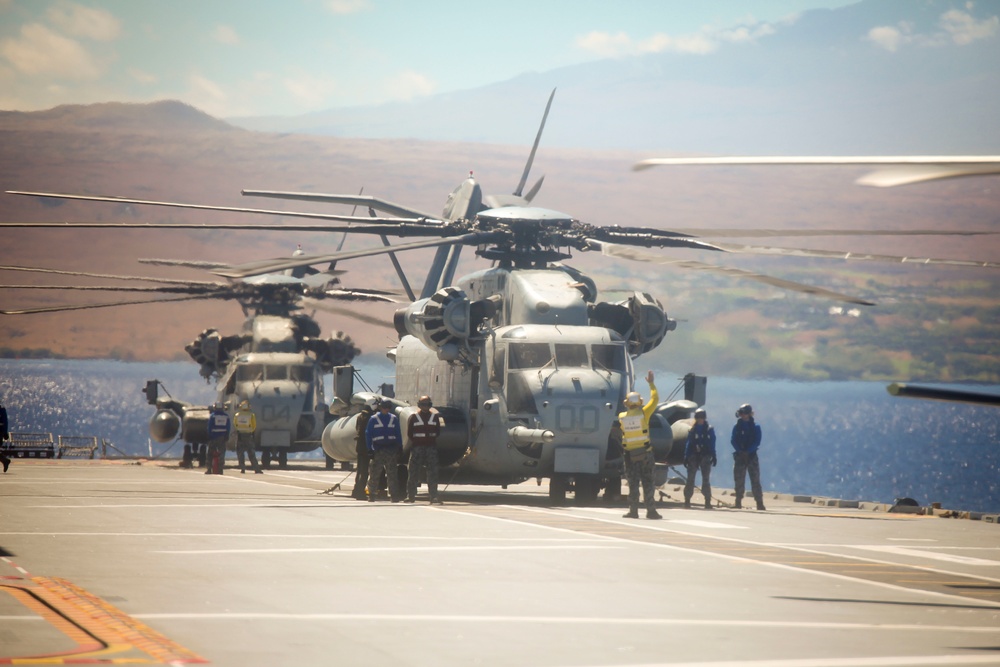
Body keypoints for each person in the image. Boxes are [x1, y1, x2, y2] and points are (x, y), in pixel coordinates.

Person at [618, 370, 661, 520]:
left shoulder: (622, 417)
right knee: (648, 482)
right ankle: (651, 511)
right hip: (645, 454)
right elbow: (655, 399)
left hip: (630, 456)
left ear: (627, 404)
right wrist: (651, 383)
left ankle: (633, 511)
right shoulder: (644, 414)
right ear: (640, 403)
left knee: (633, 483)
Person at [405, 395, 444, 504]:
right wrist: (418, 442)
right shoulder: (413, 417)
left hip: (430, 448)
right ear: (419, 405)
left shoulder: (434, 417)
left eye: (427, 404)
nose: (425, 406)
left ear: (430, 405)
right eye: (423, 404)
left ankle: (433, 496)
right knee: (413, 472)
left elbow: (437, 432)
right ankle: (411, 496)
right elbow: (410, 433)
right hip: (417, 448)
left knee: (432, 473)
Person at [365, 399, 402, 502]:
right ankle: (371, 494)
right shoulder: (373, 419)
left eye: (388, 407)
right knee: (374, 473)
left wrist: (399, 447)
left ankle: (394, 495)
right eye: (384, 407)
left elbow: (398, 433)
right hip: (378, 450)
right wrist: (369, 449)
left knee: (392, 474)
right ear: (380, 407)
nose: (386, 409)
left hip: (391, 450)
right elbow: (368, 434)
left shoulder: (393, 419)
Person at [731, 403, 765, 510]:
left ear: (749, 414)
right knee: (739, 480)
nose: (743, 415)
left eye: (745, 413)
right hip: (740, 456)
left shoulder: (756, 427)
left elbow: (757, 441)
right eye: (741, 413)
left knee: (755, 480)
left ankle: (759, 502)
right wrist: (740, 451)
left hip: (751, 457)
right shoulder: (737, 427)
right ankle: (738, 501)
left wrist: (748, 451)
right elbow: (733, 440)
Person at [683, 408, 716, 509]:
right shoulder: (692, 430)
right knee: (690, 479)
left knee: (705, 479)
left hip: (705, 456)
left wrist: (713, 455)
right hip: (694, 455)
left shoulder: (709, 430)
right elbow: (689, 443)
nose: (700, 419)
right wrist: (686, 456)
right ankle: (687, 500)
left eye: (702, 417)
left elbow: (712, 443)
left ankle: (707, 501)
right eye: (698, 417)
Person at [352, 398, 377, 500]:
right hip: (365, 446)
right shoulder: (370, 418)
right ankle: (360, 492)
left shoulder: (360, 416)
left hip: (359, 446)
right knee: (364, 471)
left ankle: (356, 490)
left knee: (360, 470)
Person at [233, 400, 262, 474]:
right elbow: (254, 425)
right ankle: (256, 469)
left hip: (240, 436)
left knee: (240, 453)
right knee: (251, 453)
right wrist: (251, 431)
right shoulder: (251, 415)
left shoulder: (237, 415)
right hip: (248, 435)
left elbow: (235, 425)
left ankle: (242, 468)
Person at [205, 403, 231, 475]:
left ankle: (209, 469)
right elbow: (228, 427)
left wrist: (209, 435)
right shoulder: (226, 417)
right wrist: (227, 435)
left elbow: (209, 426)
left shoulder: (213, 416)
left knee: (210, 453)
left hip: (213, 437)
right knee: (222, 453)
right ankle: (220, 469)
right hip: (222, 437)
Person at [1, 401, 11, 473]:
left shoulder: (2, 410)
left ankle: (5, 460)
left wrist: (5, 433)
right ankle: (5, 460)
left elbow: (5, 422)